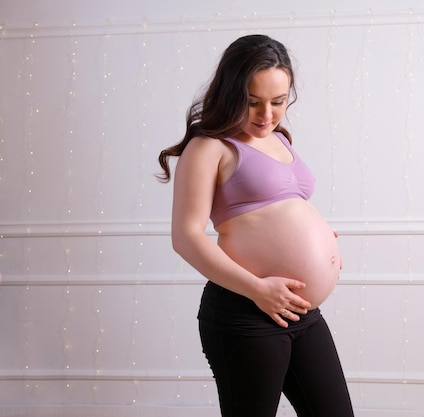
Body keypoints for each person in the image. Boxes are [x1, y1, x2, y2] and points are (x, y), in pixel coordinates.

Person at [157, 34, 354, 417]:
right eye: (253, 102)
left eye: (278, 102)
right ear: (231, 94)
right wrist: (259, 289)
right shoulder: (209, 147)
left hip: (300, 311)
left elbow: (278, 208)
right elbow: (186, 237)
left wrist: (318, 240)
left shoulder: (280, 138)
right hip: (246, 311)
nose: (267, 115)